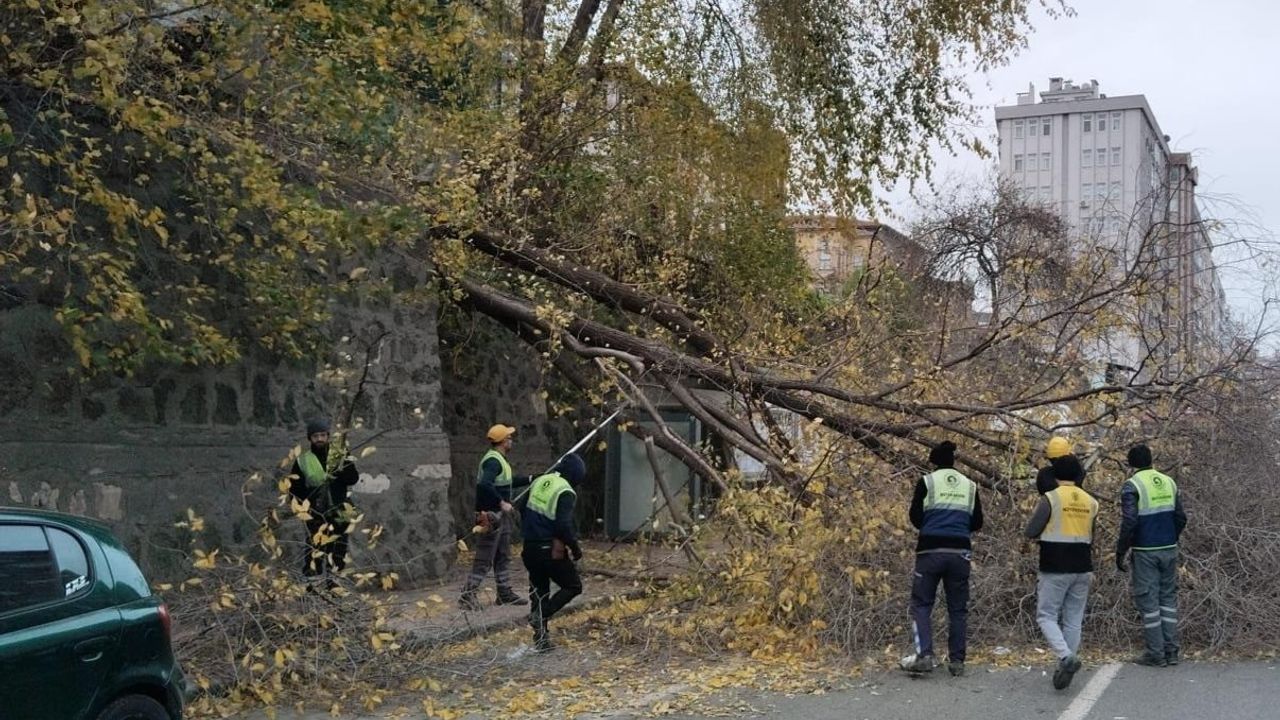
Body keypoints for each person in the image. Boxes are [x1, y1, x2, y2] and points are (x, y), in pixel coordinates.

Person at [902, 441, 984, 677]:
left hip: (930, 551)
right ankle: (957, 661)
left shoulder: (927, 482)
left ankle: (925, 656)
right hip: (960, 553)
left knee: (921, 604)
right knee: (958, 608)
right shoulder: (970, 485)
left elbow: (915, 516)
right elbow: (977, 522)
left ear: (934, 461)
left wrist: (932, 524)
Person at [1024, 454, 1099, 690]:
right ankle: (1066, 662)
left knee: (1046, 615)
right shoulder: (1091, 501)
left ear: (1055, 474)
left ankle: (1066, 657)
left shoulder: (1051, 498)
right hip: (1083, 564)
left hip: (1055, 564)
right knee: (1073, 618)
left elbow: (1031, 530)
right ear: (1078, 474)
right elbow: (1092, 535)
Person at [1116, 444, 1187, 667]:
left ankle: (1156, 653)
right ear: (1151, 460)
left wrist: (1121, 550)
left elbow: (1129, 521)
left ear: (1130, 464)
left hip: (1145, 551)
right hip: (1169, 548)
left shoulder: (1132, 485)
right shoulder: (1169, 482)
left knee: (1149, 602)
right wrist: (1170, 536)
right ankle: (1172, 651)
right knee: (1168, 600)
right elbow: (1181, 517)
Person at [460, 424, 532, 610]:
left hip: (500, 517)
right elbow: (484, 484)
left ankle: (504, 593)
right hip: (490, 516)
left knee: (502, 555)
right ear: (502, 441)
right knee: (485, 557)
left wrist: (532, 479)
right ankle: (467, 595)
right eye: (509, 438)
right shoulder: (493, 461)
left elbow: (508, 482)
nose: (511, 440)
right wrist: (501, 502)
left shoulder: (499, 460)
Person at [519, 453, 585, 652]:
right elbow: (563, 525)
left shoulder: (541, 480)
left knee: (539, 592)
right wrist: (575, 549)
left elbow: (522, 507)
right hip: (549, 549)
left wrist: (532, 529)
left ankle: (541, 640)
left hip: (529, 547)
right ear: (575, 476)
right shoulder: (565, 491)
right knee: (573, 585)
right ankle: (541, 615)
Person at [288, 418, 360, 579]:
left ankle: (334, 584)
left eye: (322, 435)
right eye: (315, 436)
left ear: (328, 436)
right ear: (310, 438)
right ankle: (313, 585)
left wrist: (341, 469)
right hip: (316, 512)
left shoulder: (340, 454)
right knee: (315, 549)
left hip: (340, 509)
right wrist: (304, 510)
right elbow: (294, 489)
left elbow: (353, 479)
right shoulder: (303, 460)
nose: (319, 439)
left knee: (339, 549)